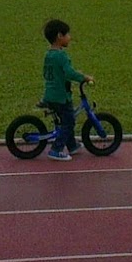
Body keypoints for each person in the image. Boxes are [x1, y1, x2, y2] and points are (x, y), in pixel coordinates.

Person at [40, 18, 93, 161]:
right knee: (69, 121)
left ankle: (72, 145)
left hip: (50, 94)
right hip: (61, 96)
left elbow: (49, 73)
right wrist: (84, 77)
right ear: (59, 36)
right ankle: (56, 149)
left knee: (67, 119)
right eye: (67, 34)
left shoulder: (49, 55)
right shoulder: (61, 56)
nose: (70, 37)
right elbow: (69, 73)